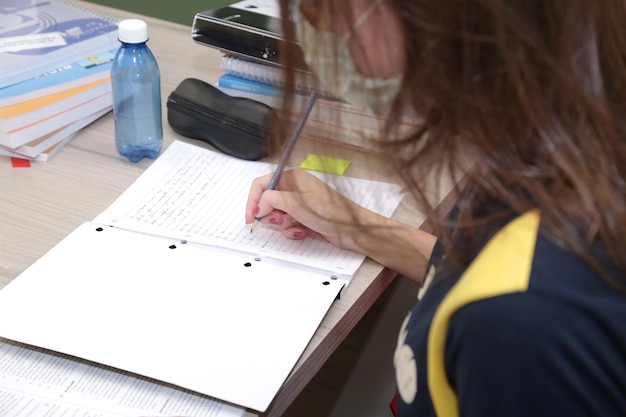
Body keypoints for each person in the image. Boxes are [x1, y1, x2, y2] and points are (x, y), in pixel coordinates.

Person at [245, 1, 626, 416]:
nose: (316, 23)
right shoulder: (563, 148)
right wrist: (356, 227)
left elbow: (512, 295)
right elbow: (486, 270)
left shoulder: (520, 329)